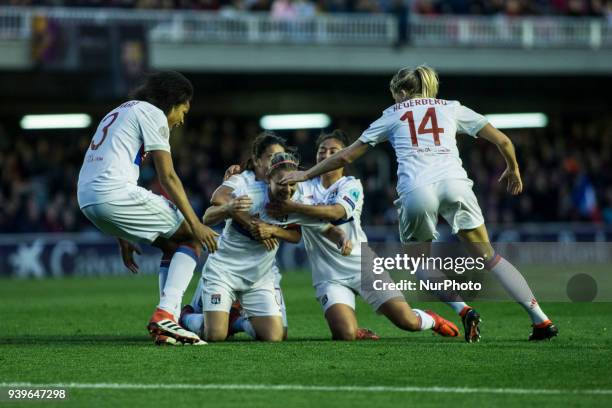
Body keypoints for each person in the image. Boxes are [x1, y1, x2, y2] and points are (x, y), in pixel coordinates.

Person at [280, 65, 558, 342]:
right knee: (490, 257)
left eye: (394, 95)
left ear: (401, 92)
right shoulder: (451, 107)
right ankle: (540, 319)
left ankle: (462, 309)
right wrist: (513, 169)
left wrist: (304, 173)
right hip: (455, 184)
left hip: (417, 190)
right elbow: (504, 141)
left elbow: (345, 157)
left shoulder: (392, 114)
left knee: (419, 263)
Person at [267, 130, 459, 340]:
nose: (326, 155)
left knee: (408, 322)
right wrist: (242, 173)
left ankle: (431, 319)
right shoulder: (302, 187)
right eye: (322, 151)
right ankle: (355, 330)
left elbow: (337, 212)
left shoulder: (351, 185)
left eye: (333, 151)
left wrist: (293, 207)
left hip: (363, 265)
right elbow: (275, 181)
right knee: (344, 334)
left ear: (344, 156)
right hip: (328, 276)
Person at [76, 71, 218, 346]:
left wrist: (121, 233)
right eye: (183, 110)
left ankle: (169, 322)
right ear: (173, 101)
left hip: (87, 199)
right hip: (113, 194)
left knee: (171, 245)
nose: (182, 119)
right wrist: (196, 224)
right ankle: (166, 315)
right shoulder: (153, 114)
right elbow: (168, 177)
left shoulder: (118, 112)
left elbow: (102, 167)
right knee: (189, 237)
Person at [197, 152, 352, 342]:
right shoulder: (251, 195)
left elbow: (324, 228)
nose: (287, 190)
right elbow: (208, 215)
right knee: (215, 335)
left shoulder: (295, 204)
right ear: (268, 179)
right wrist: (228, 209)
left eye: (292, 184)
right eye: (281, 184)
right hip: (224, 271)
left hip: (258, 278)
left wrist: (342, 237)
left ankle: (235, 320)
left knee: (274, 336)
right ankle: (186, 317)